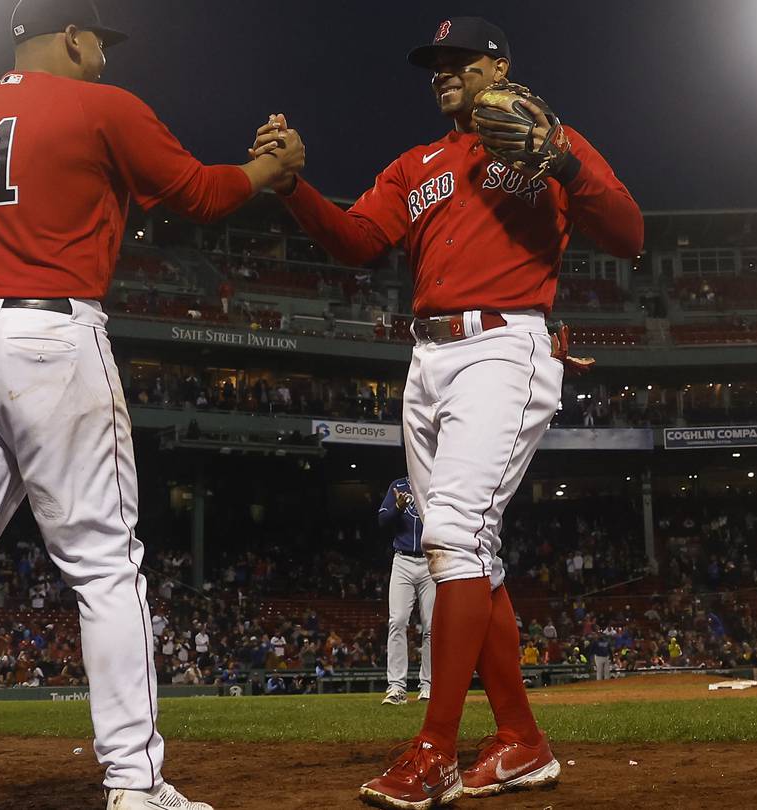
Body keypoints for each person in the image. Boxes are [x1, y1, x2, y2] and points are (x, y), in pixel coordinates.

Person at [0, 2, 302, 809]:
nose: (105, 58)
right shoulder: (100, 105)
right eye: (99, 43)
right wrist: (268, 173)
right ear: (73, 36)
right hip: (44, 335)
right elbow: (200, 196)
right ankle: (135, 785)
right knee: (107, 569)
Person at [251, 15, 640, 808]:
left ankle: (435, 748)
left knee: (456, 532)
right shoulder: (414, 164)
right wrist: (293, 188)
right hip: (426, 359)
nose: (443, 72)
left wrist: (563, 160)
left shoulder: (548, 140)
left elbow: (630, 232)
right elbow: (359, 240)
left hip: (504, 345)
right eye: (436, 63)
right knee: (466, 556)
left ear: (499, 66)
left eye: (460, 60)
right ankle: (523, 742)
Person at [378, 475, 433, 705]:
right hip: (402, 560)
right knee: (397, 621)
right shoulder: (398, 485)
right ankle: (397, 687)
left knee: (432, 625)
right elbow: (382, 521)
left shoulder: (438, 482)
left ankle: (429, 685)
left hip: (431, 559)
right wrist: (398, 507)